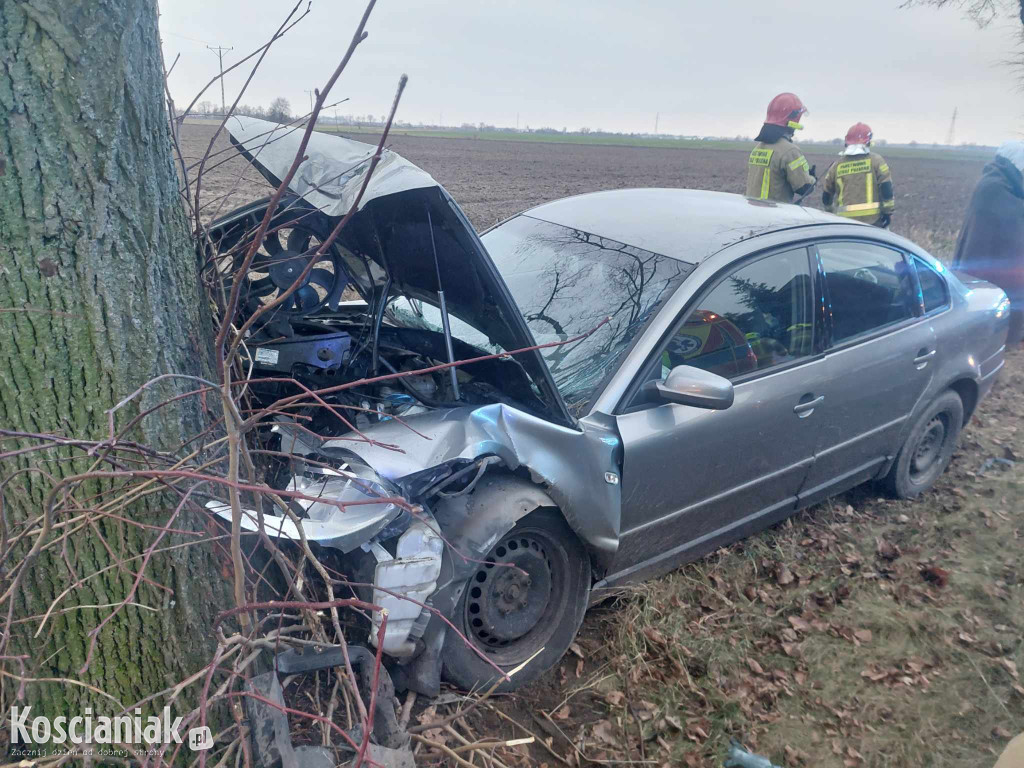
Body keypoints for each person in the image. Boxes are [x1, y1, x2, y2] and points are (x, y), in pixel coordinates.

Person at [952, 140, 1024, 345]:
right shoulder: (993, 188)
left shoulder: (1005, 186)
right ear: (1016, 164)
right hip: (990, 260)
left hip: (1001, 259)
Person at [745, 93, 816, 203]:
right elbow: (803, 188)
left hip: (753, 213)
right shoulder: (790, 151)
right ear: (794, 120)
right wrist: (812, 178)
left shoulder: (758, 148)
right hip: (774, 215)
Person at [820, 122, 895, 227]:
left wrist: (830, 212)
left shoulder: (837, 165)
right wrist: (887, 212)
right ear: (868, 141)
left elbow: (826, 194)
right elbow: (886, 187)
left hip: (844, 223)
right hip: (873, 222)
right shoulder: (877, 161)